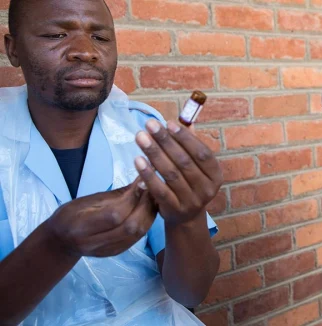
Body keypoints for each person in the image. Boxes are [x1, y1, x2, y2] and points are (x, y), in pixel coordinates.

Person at [0, 0, 221, 324]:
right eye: (56, 35)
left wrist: (187, 220)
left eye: (101, 38)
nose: (84, 51)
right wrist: (56, 243)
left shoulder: (143, 131)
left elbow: (190, 293)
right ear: (13, 49)